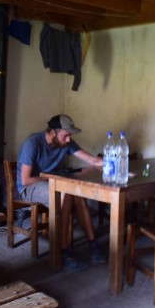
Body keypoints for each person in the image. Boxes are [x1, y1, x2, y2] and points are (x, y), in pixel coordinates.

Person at [17, 114, 106, 271]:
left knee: (76, 192)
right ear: (53, 132)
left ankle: (92, 243)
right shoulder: (32, 143)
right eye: (65, 135)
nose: (68, 140)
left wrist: (113, 164)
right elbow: (25, 180)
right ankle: (62, 251)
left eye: (69, 136)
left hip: (53, 182)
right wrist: (53, 179)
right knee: (65, 192)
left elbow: (92, 160)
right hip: (30, 187)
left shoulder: (65, 142)